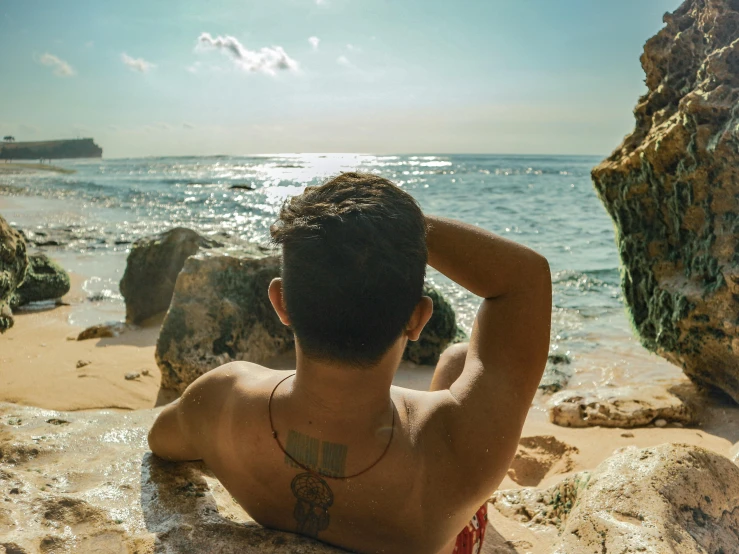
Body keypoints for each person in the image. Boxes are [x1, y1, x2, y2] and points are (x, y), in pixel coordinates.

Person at [148, 172, 551, 554]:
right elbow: (526, 278)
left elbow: (160, 441)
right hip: (433, 522)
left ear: (281, 302)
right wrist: (394, 228)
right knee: (460, 358)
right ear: (418, 318)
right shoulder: (460, 450)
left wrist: (341, 236)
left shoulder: (223, 399)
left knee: (456, 361)